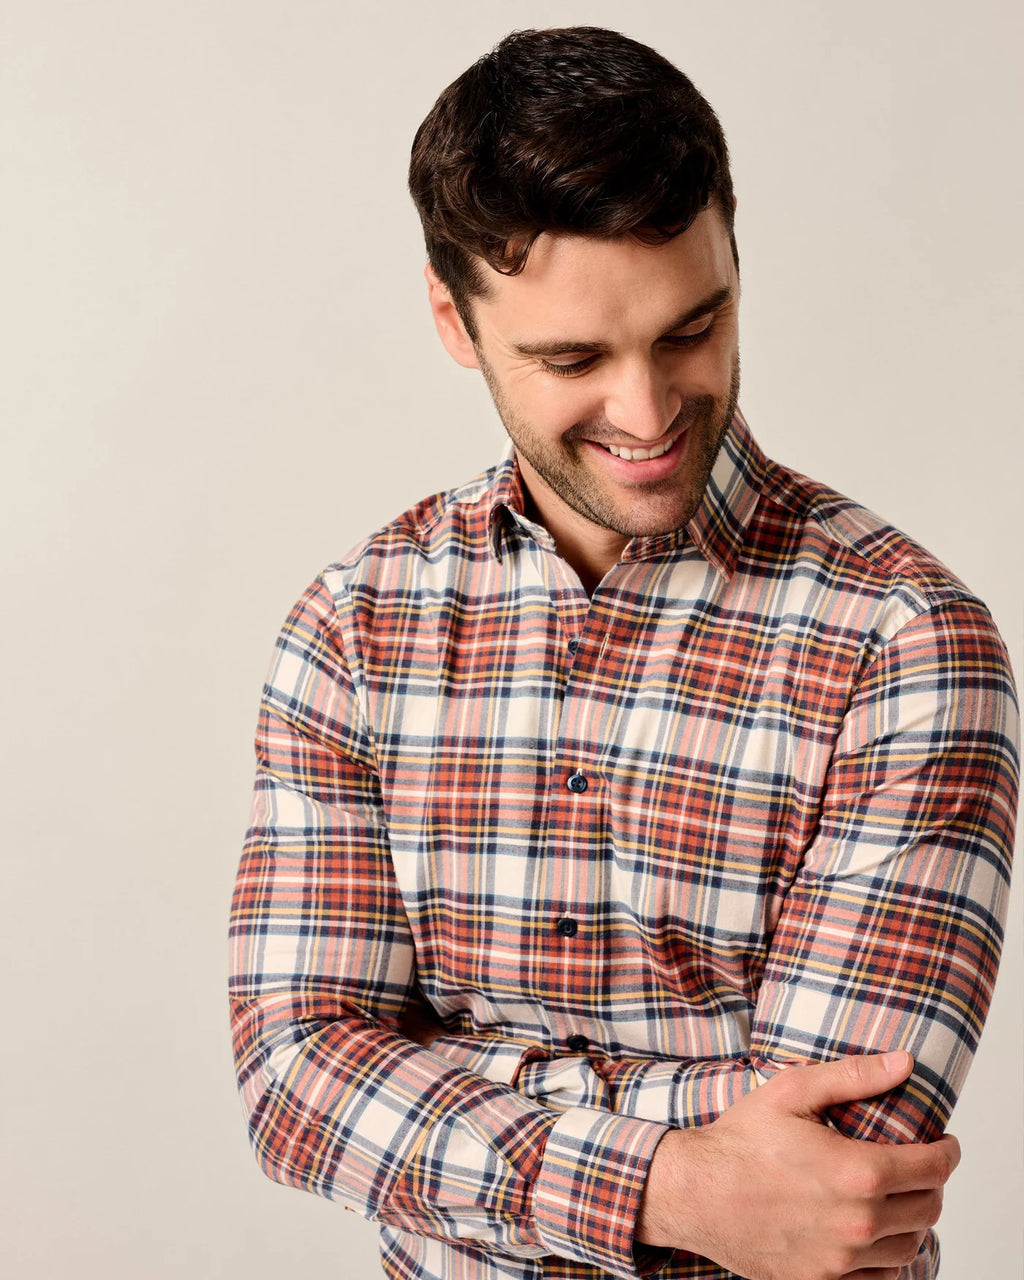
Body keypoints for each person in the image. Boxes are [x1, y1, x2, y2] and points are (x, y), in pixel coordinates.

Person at [229, 26, 1018, 1280]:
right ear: (452, 318)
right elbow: (293, 1080)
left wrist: (444, 1077)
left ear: (734, 260)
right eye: (572, 358)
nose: (647, 412)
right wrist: (677, 1178)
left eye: (691, 329)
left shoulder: (907, 641)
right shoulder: (356, 627)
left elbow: (833, 1173)